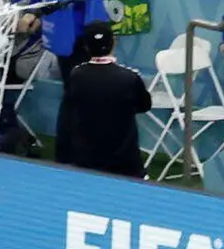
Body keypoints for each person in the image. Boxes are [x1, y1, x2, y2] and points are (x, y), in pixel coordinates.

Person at [52, 20, 150, 177]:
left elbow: (71, 105)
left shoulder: (76, 75)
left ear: (86, 47)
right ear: (114, 43)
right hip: (124, 163)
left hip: (86, 160)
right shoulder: (129, 78)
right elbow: (144, 105)